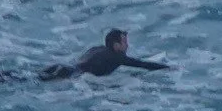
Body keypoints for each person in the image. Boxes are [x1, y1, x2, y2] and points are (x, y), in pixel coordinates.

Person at [38, 29, 171, 80]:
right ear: (116, 45)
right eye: (124, 42)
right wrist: (168, 68)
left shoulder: (97, 48)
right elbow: (142, 65)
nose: (127, 45)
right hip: (71, 74)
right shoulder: (116, 56)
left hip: (63, 66)